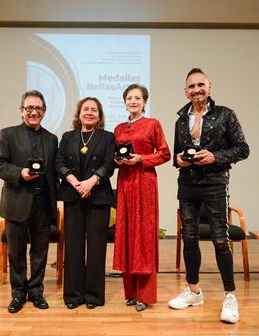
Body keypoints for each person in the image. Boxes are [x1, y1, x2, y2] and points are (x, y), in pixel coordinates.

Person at [169, 68, 250, 323]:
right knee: (189, 238)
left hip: (215, 183)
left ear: (209, 87)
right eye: (191, 86)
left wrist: (216, 156)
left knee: (219, 240)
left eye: (200, 85)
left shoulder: (226, 114)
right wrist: (180, 160)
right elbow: (176, 156)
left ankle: (230, 296)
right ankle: (194, 291)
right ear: (186, 91)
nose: (196, 90)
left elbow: (243, 148)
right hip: (187, 185)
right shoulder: (181, 120)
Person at [0, 90, 58, 313]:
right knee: (16, 252)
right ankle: (18, 293)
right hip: (17, 202)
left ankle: (36, 291)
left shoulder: (51, 138)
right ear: (21, 111)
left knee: (40, 251)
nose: (34, 112)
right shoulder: (7, 134)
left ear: (44, 112)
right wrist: (20, 173)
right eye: (29, 108)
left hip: (43, 204)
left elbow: (54, 172)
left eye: (38, 108)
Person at [113, 84, 171, 312]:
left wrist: (141, 159)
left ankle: (144, 296)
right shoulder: (118, 129)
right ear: (125, 101)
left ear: (144, 101)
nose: (133, 101)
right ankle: (130, 293)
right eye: (129, 98)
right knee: (127, 234)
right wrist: (118, 161)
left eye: (138, 98)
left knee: (143, 237)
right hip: (125, 182)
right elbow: (115, 156)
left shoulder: (152, 124)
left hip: (145, 183)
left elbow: (164, 153)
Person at [56, 97, 115, 309]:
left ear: (99, 116)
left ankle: (93, 296)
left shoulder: (108, 137)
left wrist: (91, 182)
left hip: (98, 197)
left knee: (97, 248)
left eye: (94, 110)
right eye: (85, 109)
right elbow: (59, 162)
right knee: (73, 246)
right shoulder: (67, 136)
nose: (89, 113)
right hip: (73, 196)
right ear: (79, 113)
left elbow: (109, 164)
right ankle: (73, 295)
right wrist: (75, 183)